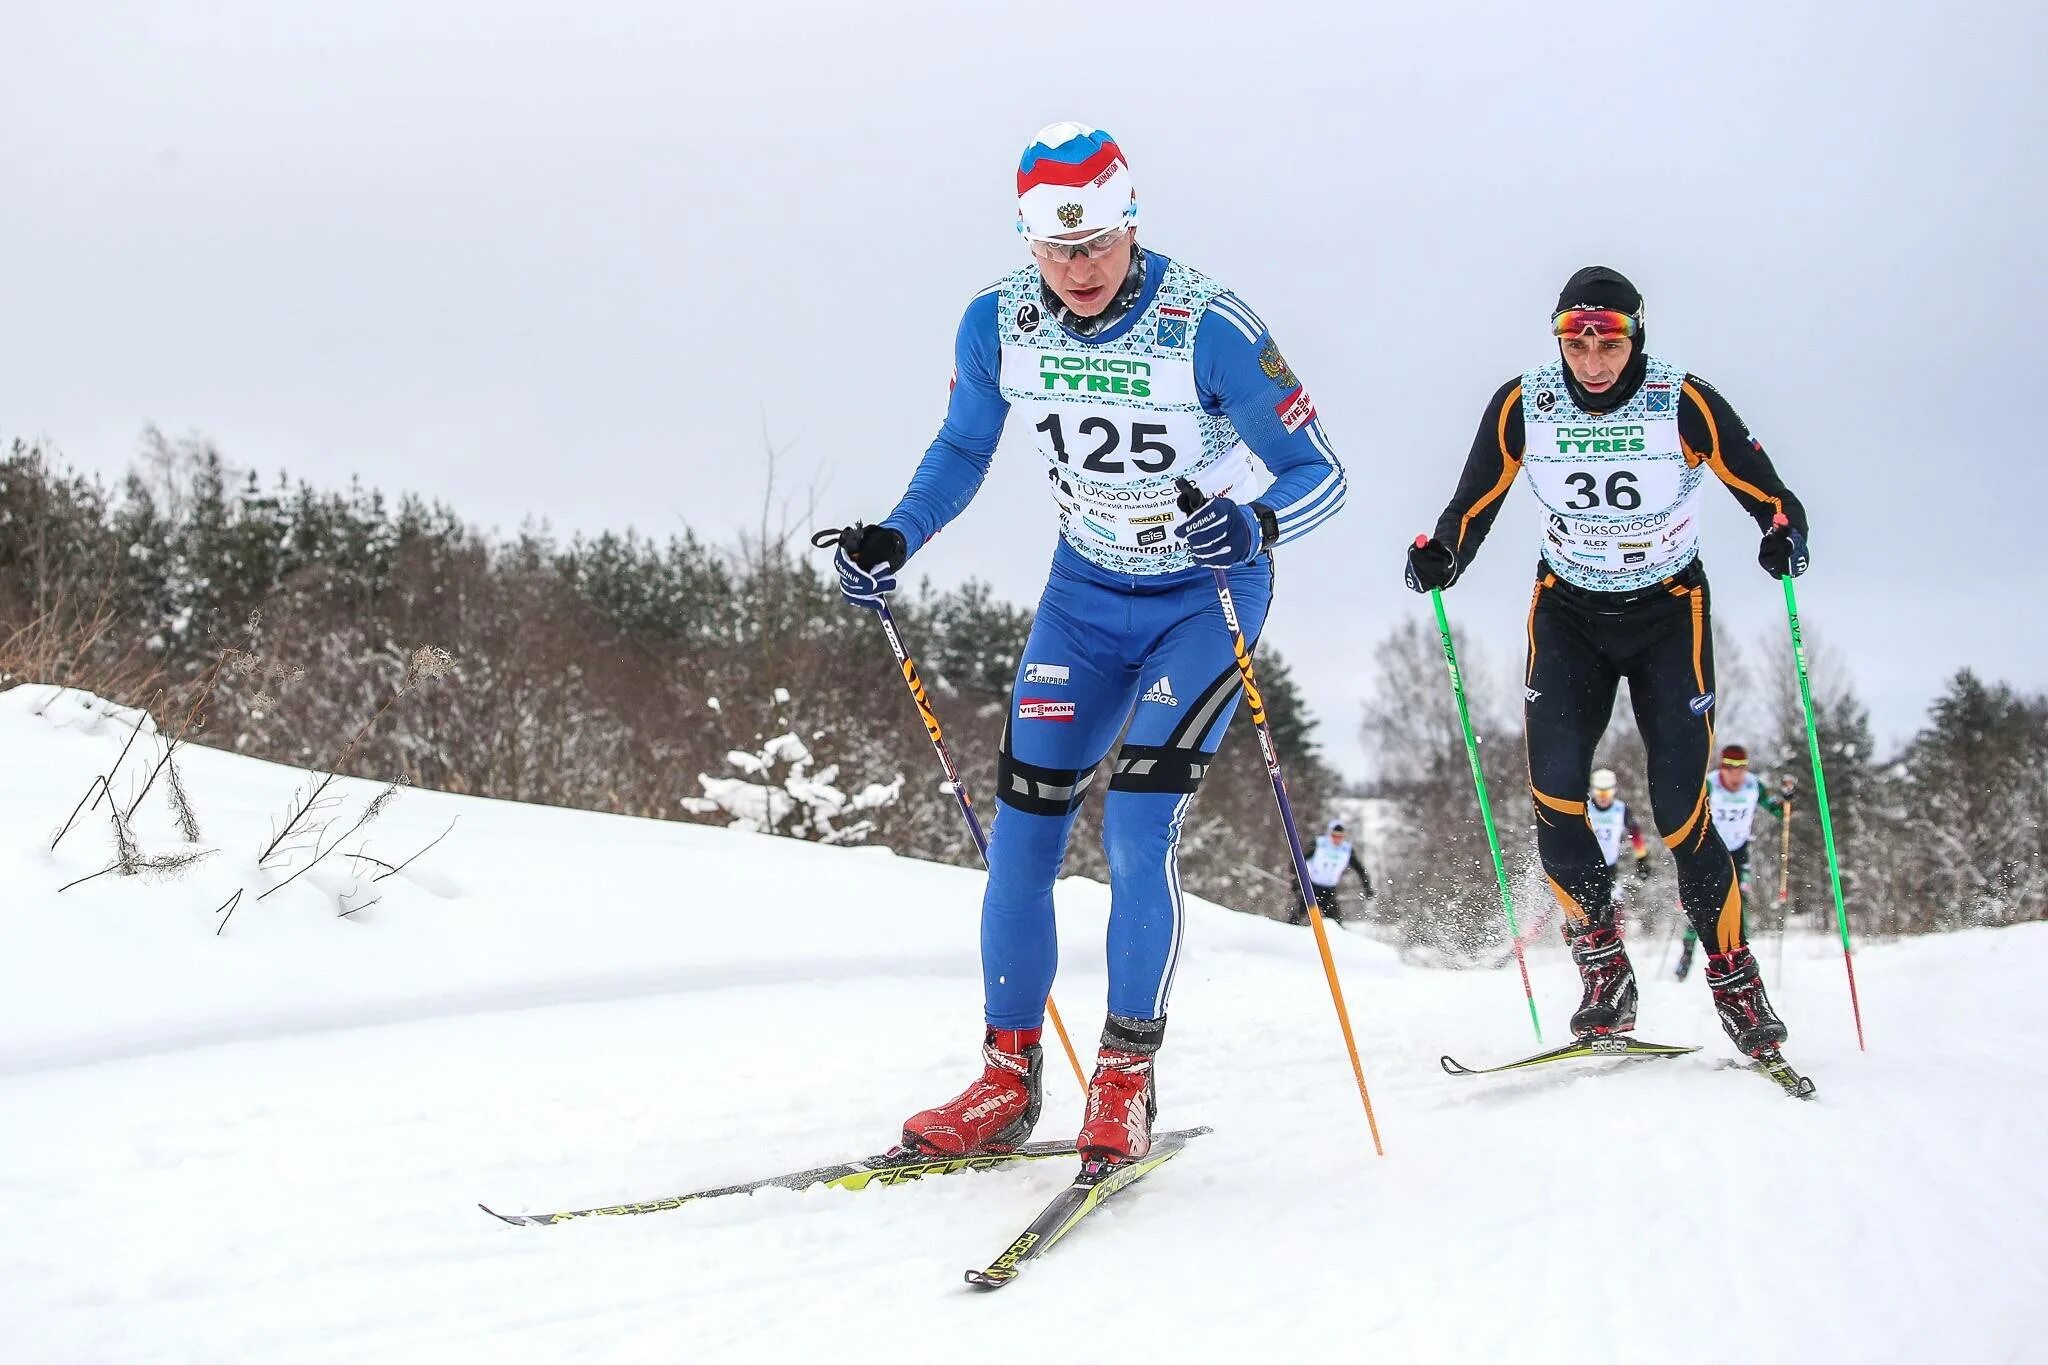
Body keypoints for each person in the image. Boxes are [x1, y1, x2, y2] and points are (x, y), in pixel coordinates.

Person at [831, 123, 1347, 1163]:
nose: (1078, 269)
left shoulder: (1209, 324)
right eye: (1055, 249)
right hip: (1080, 596)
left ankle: (1121, 1079)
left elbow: (1322, 472)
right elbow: (964, 445)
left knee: (1132, 828)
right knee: (1020, 839)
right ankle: (1005, 1080)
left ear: (1131, 224)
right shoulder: (995, 321)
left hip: (1201, 596)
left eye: (1098, 244)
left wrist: (1254, 523)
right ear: (1026, 242)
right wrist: (896, 532)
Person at [1404, 265, 1810, 1060]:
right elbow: (1473, 503)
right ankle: (1604, 970)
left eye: (1608, 340)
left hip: (1668, 613)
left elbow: (1770, 492)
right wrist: (1445, 551)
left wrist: (1783, 531)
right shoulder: (1524, 403)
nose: (1592, 359)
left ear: (1635, 334)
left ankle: (1735, 981)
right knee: (1555, 798)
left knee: (1680, 809)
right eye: (1576, 340)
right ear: (1558, 337)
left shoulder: (1680, 399)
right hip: (1569, 615)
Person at [1675, 744, 1789, 979]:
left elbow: (1777, 812)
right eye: (1731, 769)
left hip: (1738, 851)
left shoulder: (1754, 785)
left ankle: (1738, 957)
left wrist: (1786, 801)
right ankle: (1687, 954)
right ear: (1723, 768)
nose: (1736, 775)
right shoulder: (1710, 783)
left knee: (1738, 901)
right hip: (1709, 850)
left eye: (1741, 769)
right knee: (1700, 902)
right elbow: (1689, 812)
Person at [1586, 768, 1652, 901]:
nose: (1603, 797)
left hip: (1610, 866)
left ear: (1614, 790)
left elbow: (1635, 835)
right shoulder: (1586, 807)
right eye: (1600, 792)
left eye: (1607, 792)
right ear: (1593, 791)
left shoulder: (1621, 809)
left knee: (1613, 902)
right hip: (1586, 864)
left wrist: (1642, 859)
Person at [1302, 818, 1374, 925]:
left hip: (1329, 890)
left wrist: (1367, 887)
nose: (1337, 839)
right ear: (1329, 834)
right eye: (1334, 836)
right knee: (1297, 916)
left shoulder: (1346, 850)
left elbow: (1360, 870)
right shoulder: (1319, 843)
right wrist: (1297, 882)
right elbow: (1297, 861)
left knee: (1336, 922)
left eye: (1340, 837)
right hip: (1310, 887)